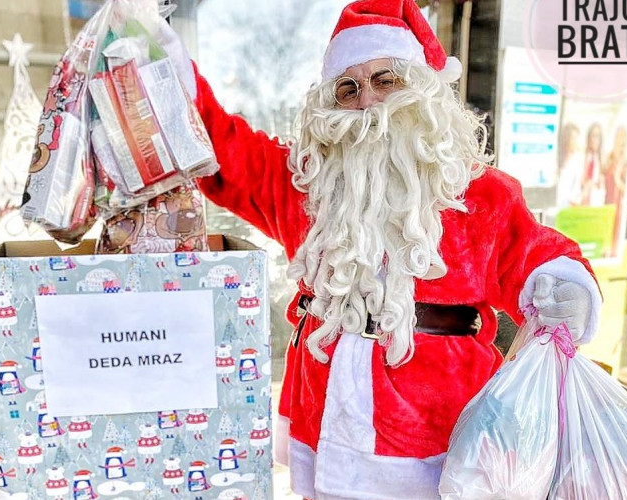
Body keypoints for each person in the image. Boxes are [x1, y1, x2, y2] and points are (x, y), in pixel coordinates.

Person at [158, 0, 602, 497]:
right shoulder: (307, 186)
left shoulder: (479, 194)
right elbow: (223, 149)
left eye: (385, 80)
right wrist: (164, 63)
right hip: (325, 431)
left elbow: (536, 253)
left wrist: (563, 285)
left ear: (421, 90)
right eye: (348, 89)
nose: (367, 100)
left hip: (434, 445)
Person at [603, 126, 627, 257]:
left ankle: (612, 252)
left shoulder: (625, 161)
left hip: (617, 201)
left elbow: (625, 188)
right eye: (619, 136)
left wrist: (618, 178)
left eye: (623, 137)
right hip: (606, 199)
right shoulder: (609, 157)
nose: (621, 140)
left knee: (615, 227)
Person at [556, 122, 584, 208]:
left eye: (576, 138)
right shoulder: (557, 157)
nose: (575, 141)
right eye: (573, 138)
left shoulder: (577, 160)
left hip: (568, 206)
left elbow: (577, 189)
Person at [580, 122, 605, 206]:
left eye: (597, 136)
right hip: (580, 201)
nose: (594, 140)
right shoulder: (581, 156)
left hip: (595, 202)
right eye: (592, 136)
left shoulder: (602, 159)